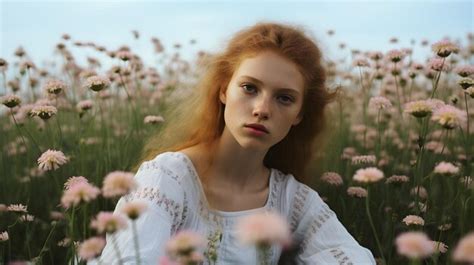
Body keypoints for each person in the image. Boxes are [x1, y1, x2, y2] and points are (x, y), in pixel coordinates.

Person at [93, 22, 376, 264]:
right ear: (223, 91)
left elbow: (354, 258)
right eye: (249, 88)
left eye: (284, 98)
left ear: (299, 115)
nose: (262, 109)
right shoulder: (167, 179)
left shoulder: (291, 200)